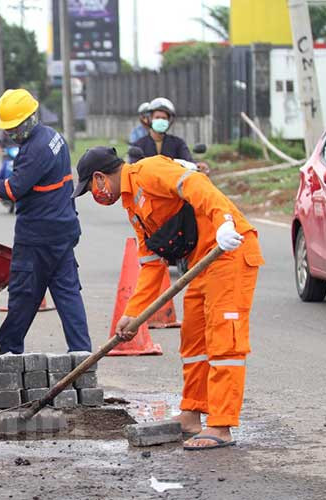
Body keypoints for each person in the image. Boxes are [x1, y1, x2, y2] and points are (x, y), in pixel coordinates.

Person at [72, 146, 263, 451]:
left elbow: (196, 184)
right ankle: (191, 414)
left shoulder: (149, 172)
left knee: (223, 341)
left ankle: (221, 424)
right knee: (194, 341)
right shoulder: (132, 206)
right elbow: (151, 264)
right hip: (201, 263)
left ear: (100, 178)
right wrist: (134, 315)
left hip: (229, 249)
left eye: (91, 188)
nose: (94, 194)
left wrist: (224, 220)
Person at [0, 88, 91, 355]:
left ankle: (8, 353)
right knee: (67, 293)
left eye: (15, 127)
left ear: (31, 118)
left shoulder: (34, 150)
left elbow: (13, 189)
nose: (11, 133)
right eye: (8, 129)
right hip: (64, 228)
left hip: (37, 236)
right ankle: (81, 354)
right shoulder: (54, 137)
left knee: (23, 294)